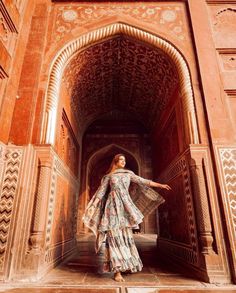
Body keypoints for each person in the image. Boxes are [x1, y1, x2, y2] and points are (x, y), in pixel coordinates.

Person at [83, 154, 171, 282]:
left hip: (125, 208)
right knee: (113, 236)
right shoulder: (109, 176)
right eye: (121, 160)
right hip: (112, 207)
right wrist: (93, 205)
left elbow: (143, 181)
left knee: (125, 236)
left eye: (124, 160)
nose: (123, 162)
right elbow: (101, 192)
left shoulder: (128, 174)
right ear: (115, 162)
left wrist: (160, 185)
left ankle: (126, 265)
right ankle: (117, 271)